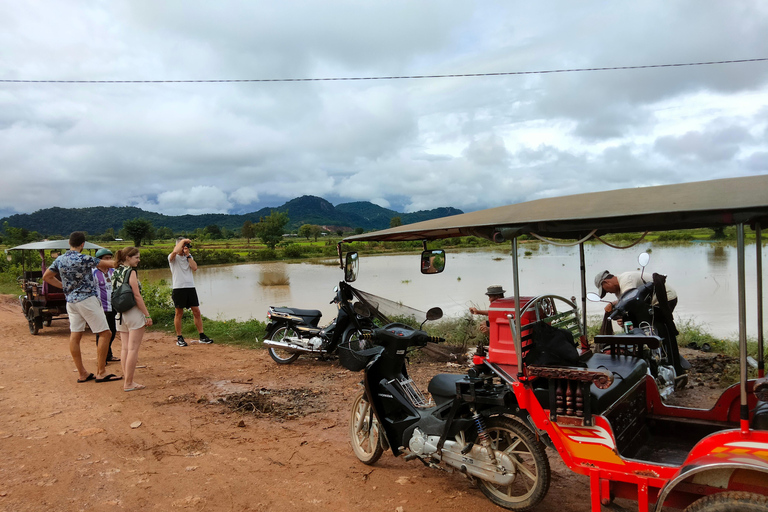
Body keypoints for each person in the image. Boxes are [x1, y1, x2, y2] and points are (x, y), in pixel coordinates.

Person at [43, 231, 121, 384]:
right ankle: (101, 372)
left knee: (75, 335)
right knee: (105, 333)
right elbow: (110, 264)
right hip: (87, 299)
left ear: (69, 243)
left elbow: (47, 277)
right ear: (83, 244)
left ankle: (82, 373)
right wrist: (125, 257)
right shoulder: (85, 258)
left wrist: (64, 287)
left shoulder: (60, 259)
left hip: (71, 301)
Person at [113, 247, 152, 392]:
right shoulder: (131, 272)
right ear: (128, 257)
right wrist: (147, 315)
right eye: (136, 257)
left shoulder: (116, 271)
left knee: (125, 348)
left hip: (120, 314)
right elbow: (136, 295)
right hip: (133, 313)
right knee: (133, 349)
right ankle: (129, 383)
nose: (139, 260)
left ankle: (127, 379)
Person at [168, 238, 213, 347]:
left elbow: (195, 268)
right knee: (179, 313)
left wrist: (188, 255)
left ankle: (202, 335)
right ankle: (179, 337)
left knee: (196, 311)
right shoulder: (172, 257)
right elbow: (175, 251)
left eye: (187, 246)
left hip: (190, 287)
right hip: (178, 288)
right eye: (183, 246)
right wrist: (182, 241)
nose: (185, 248)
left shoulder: (189, 257)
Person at [595, 270, 678, 313]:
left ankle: (662, 344)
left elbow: (629, 300)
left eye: (605, 290)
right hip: (653, 302)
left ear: (606, 282)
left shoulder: (625, 279)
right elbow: (627, 305)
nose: (608, 292)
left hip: (666, 297)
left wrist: (613, 304)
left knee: (657, 326)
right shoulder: (618, 291)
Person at [92, 248, 119, 363]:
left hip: (113, 305)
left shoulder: (113, 271)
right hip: (101, 307)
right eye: (106, 259)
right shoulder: (93, 273)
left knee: (112, 331)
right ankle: (101, 358)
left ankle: (108, 354)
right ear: (99, 260)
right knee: (103, 333)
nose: (109, 261)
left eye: (110, 258)